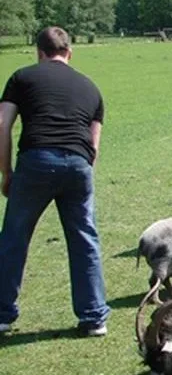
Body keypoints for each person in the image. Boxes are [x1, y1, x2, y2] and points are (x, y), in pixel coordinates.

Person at [0, 27, 110, 337]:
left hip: (36, 159)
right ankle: (93, 318)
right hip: (78, 164)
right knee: (84, 239)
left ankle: (2, 313)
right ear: (69, 53)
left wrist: (7, 174)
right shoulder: (91, 88)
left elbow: (2, 124)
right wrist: (81, 176)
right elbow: (94, 147)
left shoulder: (22, 77)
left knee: (14, 237)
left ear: (39, 52)